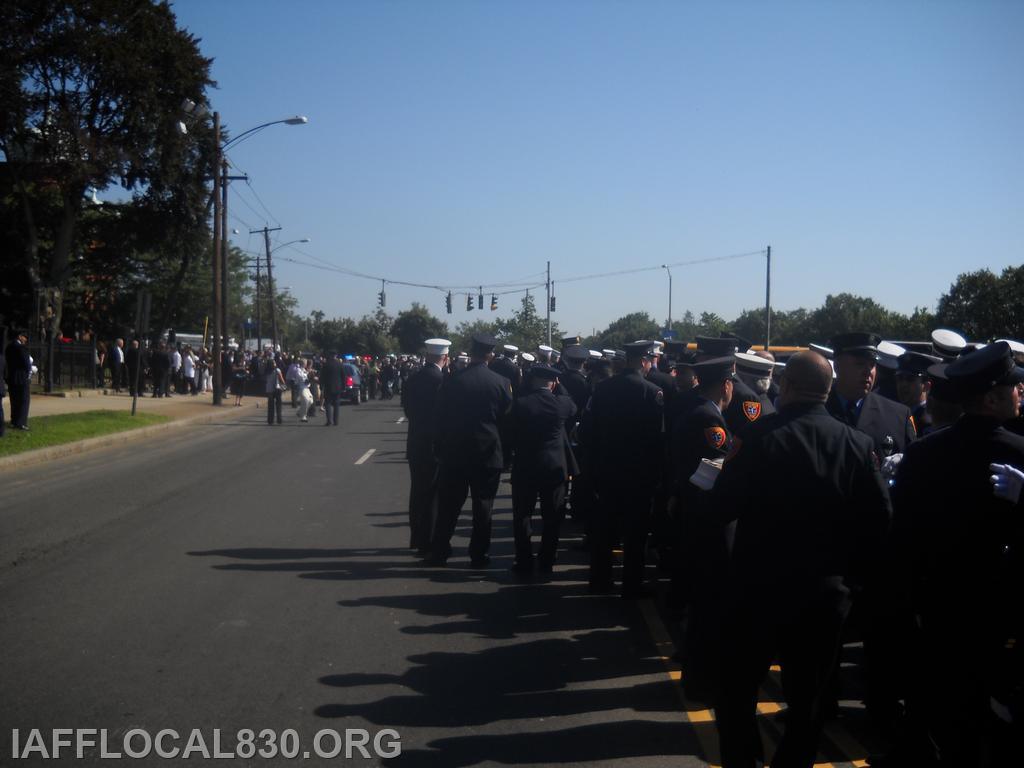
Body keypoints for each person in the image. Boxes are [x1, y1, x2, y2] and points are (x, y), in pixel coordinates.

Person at [713, 351, 892, 768]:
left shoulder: (757, 437)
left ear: (787, 387)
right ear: (827, 391)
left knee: (736, 691)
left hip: (757, 590)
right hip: (823, 596)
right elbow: (880, 519)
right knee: (808, 701)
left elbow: (722, 506)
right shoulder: (857, 444)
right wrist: (853, 581)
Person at [890, 341, 1024, 766]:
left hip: (939, 612)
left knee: (952, 728)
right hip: (1003, 618)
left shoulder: (924, 453)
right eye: (1012, 388)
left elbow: (903, 539)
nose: (1020, 394)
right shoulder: (1019, 455)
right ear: (990, 398)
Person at [579, 340, 664, 597]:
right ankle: (631, 585)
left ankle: (600, 581)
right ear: (642, 361)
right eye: (651, 360)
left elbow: (588, 432)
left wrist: (592, 468)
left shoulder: (603, 389)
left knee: (605, 529)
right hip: (639, 475)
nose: (651, 365)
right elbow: (657, 440)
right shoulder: (652, 392)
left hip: (606, 470)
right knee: (635, 534)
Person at [426, 333, 513, 567]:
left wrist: (439, 447)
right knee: (483, 507)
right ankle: (479, 554)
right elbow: (507, 422)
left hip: (455, 452)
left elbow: (439, 417)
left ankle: (440, 550)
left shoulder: (452, 380)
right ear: (490, 355)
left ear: (471, 353)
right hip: (488, 453)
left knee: (449, 506)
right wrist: (506, 454)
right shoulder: (501, 383)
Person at [509, 364, 577, 575]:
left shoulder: (520, 403)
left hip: (525, 465)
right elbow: (574, 407)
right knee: (553, 516)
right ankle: (547, 558)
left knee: (522, 515)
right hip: (554, 466)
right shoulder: (562, 404)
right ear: (554, 383)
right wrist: (560, 387)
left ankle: (523, 560)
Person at [825, 332, 916, 476]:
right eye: (859, 364)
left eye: (872, 365)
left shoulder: (898, 415)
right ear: (837, 366)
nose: (868, 371)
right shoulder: (817, 409)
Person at [402, 339, 449, 552]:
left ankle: (417, 537)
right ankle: (429, 539)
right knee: (433, 494)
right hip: (435, 444)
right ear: (445, 358)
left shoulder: (412, 379)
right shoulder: (443, 381)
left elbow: (407, 410)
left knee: (417, 491)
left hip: (416, 441)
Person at [895, 351, 941, 435]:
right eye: (900, 378)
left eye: (910, 379)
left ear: (926, 386)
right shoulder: (895, 413)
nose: (903, 384)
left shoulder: (929, 421)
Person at [4, 330, 32, 430]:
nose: (26, 340)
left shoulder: (8, 347)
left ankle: (14, 420)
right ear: (20, 336)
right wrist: (30, 369)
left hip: (11, 377)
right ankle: (21, 423)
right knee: (24, 400)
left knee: (14, 400)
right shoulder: (21, 348)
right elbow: (26, 363)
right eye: (25, 337)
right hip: (21, 377)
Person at [321, 351, 344, 427]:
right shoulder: (340, 364)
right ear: (336, 355)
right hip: (338, 387)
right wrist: (343, 386)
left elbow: (322, 376)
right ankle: (336, 421)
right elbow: (343, 376)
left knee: (328, 403)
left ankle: (329, 421)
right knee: (336, 404)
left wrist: (321, 386)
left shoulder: (326, 364)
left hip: (328, 386)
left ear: (330, 355)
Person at [262, 350, 285, 425]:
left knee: (270, 406)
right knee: (278, 405)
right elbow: (282, 380)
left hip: (269, 389)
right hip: (277, 388)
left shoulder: (266, 371)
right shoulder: (277, 370)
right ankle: (279, 419)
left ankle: (270, 420)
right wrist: (284, 385)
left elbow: (265, 379)